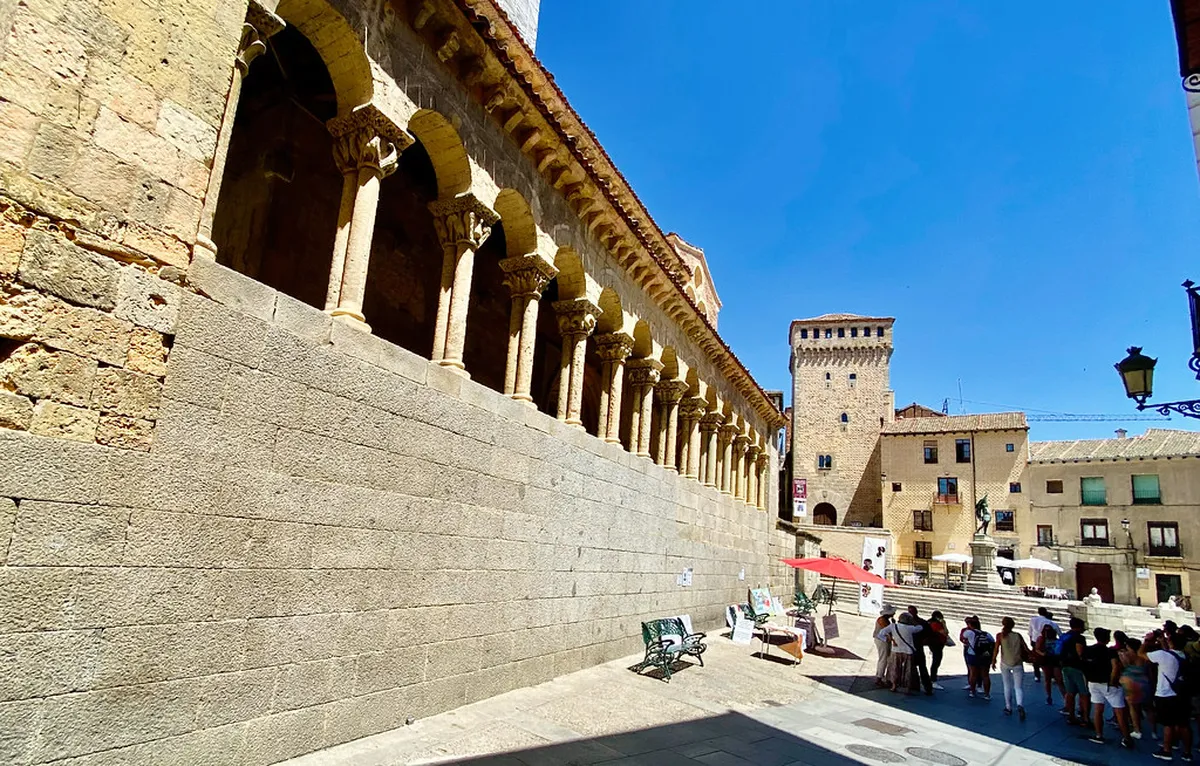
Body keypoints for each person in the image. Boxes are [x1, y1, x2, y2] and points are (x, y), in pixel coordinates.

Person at [1146, 631, 1193, 761]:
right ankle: (1187, 752)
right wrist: (1163, 642)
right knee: (1183, 724)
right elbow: (1171, 654)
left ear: (1171, 642)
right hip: (1181, 693)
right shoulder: (1185, 656)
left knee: (1168, 723)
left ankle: (1167, 750)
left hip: (1165, 693)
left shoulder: (1163, 655)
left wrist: (1147, 640)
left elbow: (1141, 655)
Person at [1082, 627, 1133, 747]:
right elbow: (1115, 666)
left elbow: (1084, 666)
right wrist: (1112, 680)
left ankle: (1099, 735)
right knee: (1119, 711)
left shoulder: (1088, 650)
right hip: (1108, 684)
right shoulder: (1110, 652)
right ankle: (1126, 738)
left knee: (1098, 710)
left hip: (1093, 683)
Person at [993, 616, 1030, 720]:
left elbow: (996, 649)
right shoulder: (1018, 635)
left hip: (1005, 662)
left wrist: (993, 660)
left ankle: (1008, 707)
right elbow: (1026, 649)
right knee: (1018, 687)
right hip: (1017, 663)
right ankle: (1020, 705)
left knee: (1007, 685)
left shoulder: (1000, 636)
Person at [1059, 617, 1091, 728]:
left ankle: (1071, 716)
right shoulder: (1079, 638)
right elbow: (1080, 653)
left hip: (1065, 666)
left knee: (1070, 692)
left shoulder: (1065, 636)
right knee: (1084, 693)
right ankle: (1085, 718)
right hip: (1077, 668)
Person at [878, 612, 921, 694]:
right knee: (908, 670)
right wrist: (914, 622)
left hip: (896, 650)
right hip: (908, 651)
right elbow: (920, 628)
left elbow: (881, 633)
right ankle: (908, 688)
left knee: (894, 668)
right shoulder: (910, 628)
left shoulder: (893, 626)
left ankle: (894, 686)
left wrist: (890, 640)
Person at [1120, 637, 1153, 741]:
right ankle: (1154, 731)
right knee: (1148, 708)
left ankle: (1137, 730)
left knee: (1133, 707)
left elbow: (1125, 665)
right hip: (1144, 681)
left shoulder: (1127, 655)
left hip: (1130, 681)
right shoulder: (1143, 655)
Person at [1033, 621, 1064, 706]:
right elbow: (1037, 649)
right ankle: (1049, 696)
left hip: (1054, 660)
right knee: (1048, 679)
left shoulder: (1056, 640)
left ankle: (1064, 697)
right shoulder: (1041, 639)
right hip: (1046, 660)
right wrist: (1043, 654)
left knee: (1059, 679)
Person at [963, 616, 993, 700]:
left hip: (973, 655)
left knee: (973, 674)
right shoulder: (986, 634)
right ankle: (987, 694)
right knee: (985, 675)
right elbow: (992, 642)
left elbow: (964, 638)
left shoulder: (969, 633)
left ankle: (972, 691)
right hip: (985, 656)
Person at [907, 606, 933, 695]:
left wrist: (924, 641)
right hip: (912, 647)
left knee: (921, 668)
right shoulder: (910, 622)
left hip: (917, 647)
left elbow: (929, 634)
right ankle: (915, 686)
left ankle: (927, 687)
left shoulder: (922, 623)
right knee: (913, 668)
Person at [1029, 607, 1059, 683]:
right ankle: (1051, 676)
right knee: (1049, 658)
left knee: (1036, 659)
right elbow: (1060, 634)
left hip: (1035, 640)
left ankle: (1037, 675)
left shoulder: (1032, 620)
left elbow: (1030, 632)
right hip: (1047, 642)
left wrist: (1031, 641)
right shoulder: (1051, 623)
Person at [928, 610, 952, 691]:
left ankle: (932, 678)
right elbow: (945, 632)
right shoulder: (936, 624)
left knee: (936, 661)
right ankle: (933, 680)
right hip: (937, 644)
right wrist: (944, 624)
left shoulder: (930, 622)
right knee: (936, 661)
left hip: (934, 644)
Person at [873, 606, 896, 687]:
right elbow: (887, 630)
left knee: (884, 659)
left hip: (884, 640)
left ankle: (880, 676)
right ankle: (879, 678)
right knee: (883, 659)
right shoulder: (882, 620)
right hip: (882, 640)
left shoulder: (885, 620)